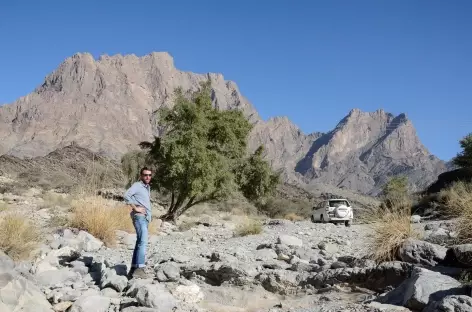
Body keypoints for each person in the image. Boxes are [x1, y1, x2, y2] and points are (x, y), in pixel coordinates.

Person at [123, 167, 152, 279]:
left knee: (140, 242)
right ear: (141, 176)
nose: (147, 177)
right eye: (145, 175)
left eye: (149, 175)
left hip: (144, 218)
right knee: (143, 242)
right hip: (139, 217)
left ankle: (134, 269)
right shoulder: (137, 185)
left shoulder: (147, 187)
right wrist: (136, 208)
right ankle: (139, 269)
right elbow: (126, 195)